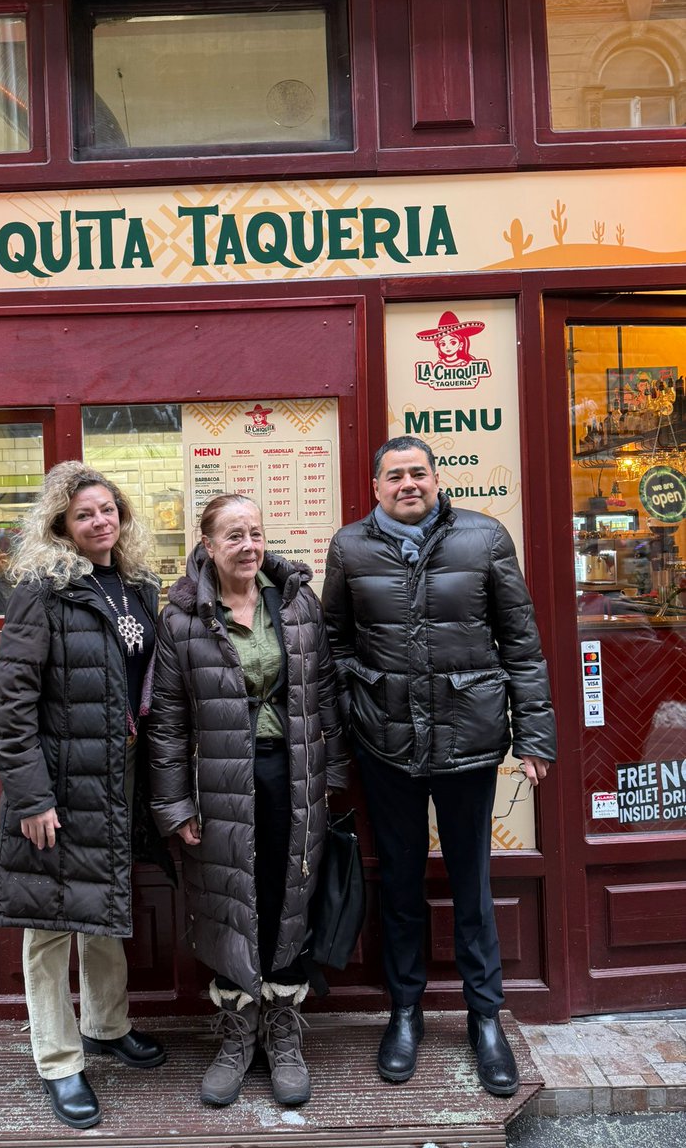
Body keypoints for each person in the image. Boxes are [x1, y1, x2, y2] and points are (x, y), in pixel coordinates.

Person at [322, 436, 556, 1098]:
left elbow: (522, 641)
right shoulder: (351, 547)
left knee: (471, 883)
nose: (407, 484)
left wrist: (535, 735)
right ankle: (404, 1012)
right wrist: (349, 718)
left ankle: (486, 1018)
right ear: (374, 487)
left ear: (437, 478)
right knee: (399, 883)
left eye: (418, 473)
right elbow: (333, 641)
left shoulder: (483, 539)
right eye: (393, 475)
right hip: (384, 742)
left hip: (469, 740)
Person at [148, 494, 349, 1108]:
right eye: (233, 535)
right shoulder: (182, 618)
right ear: (206, 545)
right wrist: (175, 806)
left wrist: (333, 774)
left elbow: (324, 692)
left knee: (288, 894)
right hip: (220, 783)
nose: (247, 545)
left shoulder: (294, 603)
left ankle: (283, 1028)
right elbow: (167, 721)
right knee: (230, 899)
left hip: (293, 776)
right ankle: (238, 1033)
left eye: (255, 533)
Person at [0, 461, 168, 1130]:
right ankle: (59, 1062)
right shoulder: (44, 590)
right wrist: (32, 797)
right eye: (85, 513)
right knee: (50, 923)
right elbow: (11, 704)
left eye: (108, 510)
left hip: (119, 777)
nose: (100, 521)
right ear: (61, 524)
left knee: (105, 900)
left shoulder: (140, 585)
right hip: (60, 781)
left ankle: (106, 1025)